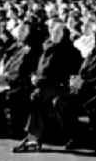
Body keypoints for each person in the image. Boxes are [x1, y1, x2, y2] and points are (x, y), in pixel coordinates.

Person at [13, 21, 82, 152]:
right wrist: (34, 76)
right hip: (44, 85)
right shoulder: (47, 47)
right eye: (52, 31)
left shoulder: (70, 51)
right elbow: (38, 68)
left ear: (64, 34)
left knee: (37, 96)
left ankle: (32, 138)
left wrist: (41, 80)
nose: (53, 34)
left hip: (61, 86)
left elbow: (66, 74)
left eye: (57, 32)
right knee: (36, 97)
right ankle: (33, 138)